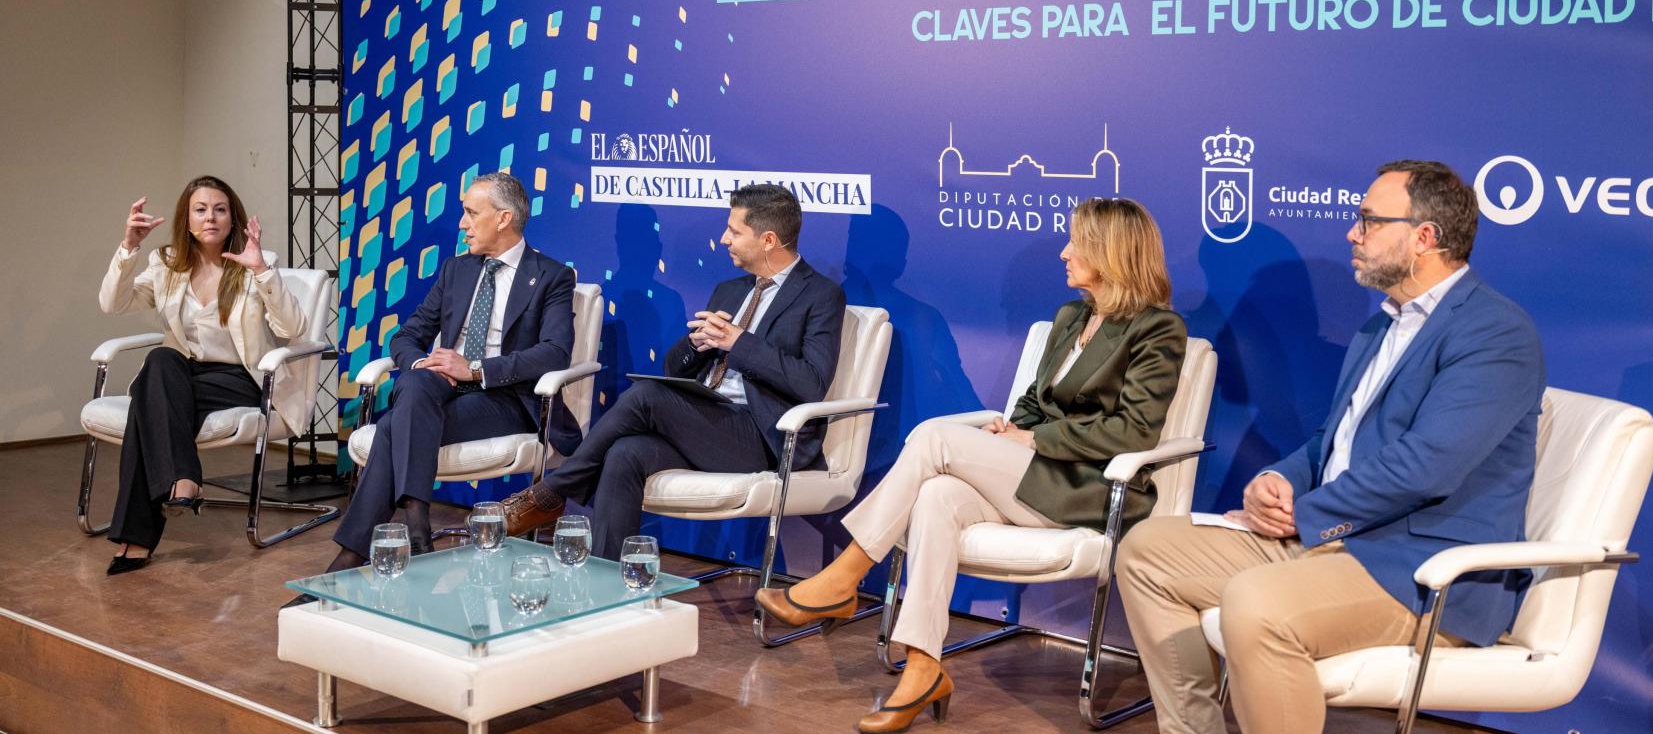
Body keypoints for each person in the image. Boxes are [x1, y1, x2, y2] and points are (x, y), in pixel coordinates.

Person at [1116, 160, 1545, 734]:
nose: (1353, 233)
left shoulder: (1495, 332)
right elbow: (1332, 440)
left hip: (1419, 570)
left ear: (1425, 237)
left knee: (1255, 605)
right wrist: (1282, 480)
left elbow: (1428, 467)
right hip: (1333, 539)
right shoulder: (1380, 327)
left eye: (1368, 220)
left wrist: (1306, 514)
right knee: (1146, 550)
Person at [755, 197, 1186, 734]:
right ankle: (922, 669)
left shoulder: (1157, 329)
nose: (1064, 252)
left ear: (1110, 252)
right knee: (936, 496)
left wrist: (1034, 438)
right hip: (1035, 476)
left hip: (1088, 490)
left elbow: (1133, 431)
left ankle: (844, 577)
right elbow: (1032, 400)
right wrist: (1013, 428)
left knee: (935, 436)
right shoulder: (1071, 316)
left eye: (1076, 242)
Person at [498, 184, 846, 561]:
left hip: (764, 435)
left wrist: (739, 342)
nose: (723, 238)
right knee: (625, 453)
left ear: (768, 240)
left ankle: (550, 494)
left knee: (647, 395)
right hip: (708, 419)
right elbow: (672, 366)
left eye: (735, 230)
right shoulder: (730, 290)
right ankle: (606, 584)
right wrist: (699, 344)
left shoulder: (821, 296)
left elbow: (811, 383)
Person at [319, 171, 577, 575]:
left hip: (505, 398)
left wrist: (474, 369)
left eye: (471, 213)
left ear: (504, 218)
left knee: (392, 428)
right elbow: (407, 337)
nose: (462, 223)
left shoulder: (551, 276)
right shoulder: (457, 270)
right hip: (437, 391)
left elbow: (554, 354)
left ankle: (361, 551)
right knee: (417, 382)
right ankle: (415, 530)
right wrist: (426, 363)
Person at [97, 176, 307, 575]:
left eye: (220, 209)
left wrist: (262, 271)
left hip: (242, 377)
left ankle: (137, 538)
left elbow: (293, 328)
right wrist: (129, 247)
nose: (210, 216)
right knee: (159, 362)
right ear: (186, 218)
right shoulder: (166, 263)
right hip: (184, 373)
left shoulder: (258, 262)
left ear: (233, 219)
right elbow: (113, 302)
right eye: (200, 209)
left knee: (147, 398)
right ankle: (182, 481)